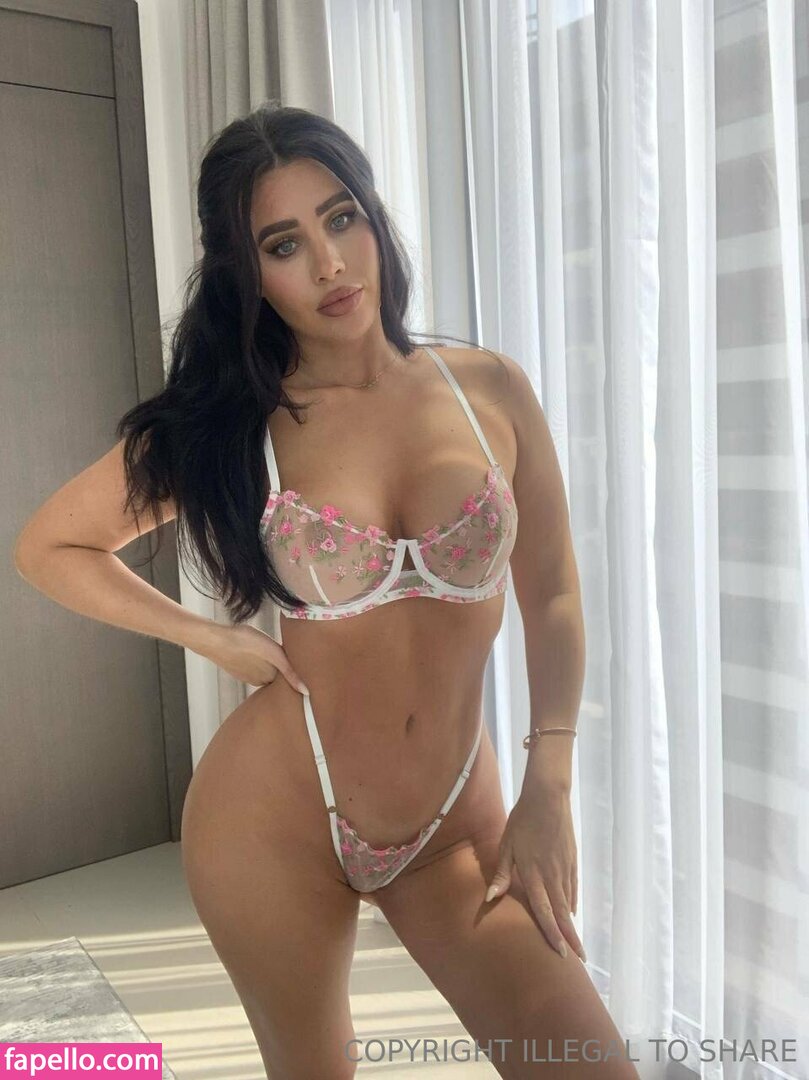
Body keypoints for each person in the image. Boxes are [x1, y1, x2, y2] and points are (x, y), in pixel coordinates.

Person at [14, 103, 639, 1079]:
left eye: (340, 218)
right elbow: (52, 545)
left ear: (374, 217)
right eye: (284, 244)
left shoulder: (487, 389)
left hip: (452, 823)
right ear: (248, 273)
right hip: (274, 822)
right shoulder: (235, 427)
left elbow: (552, 590)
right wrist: (209, 637)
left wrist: (548, 782)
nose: (330, 263)